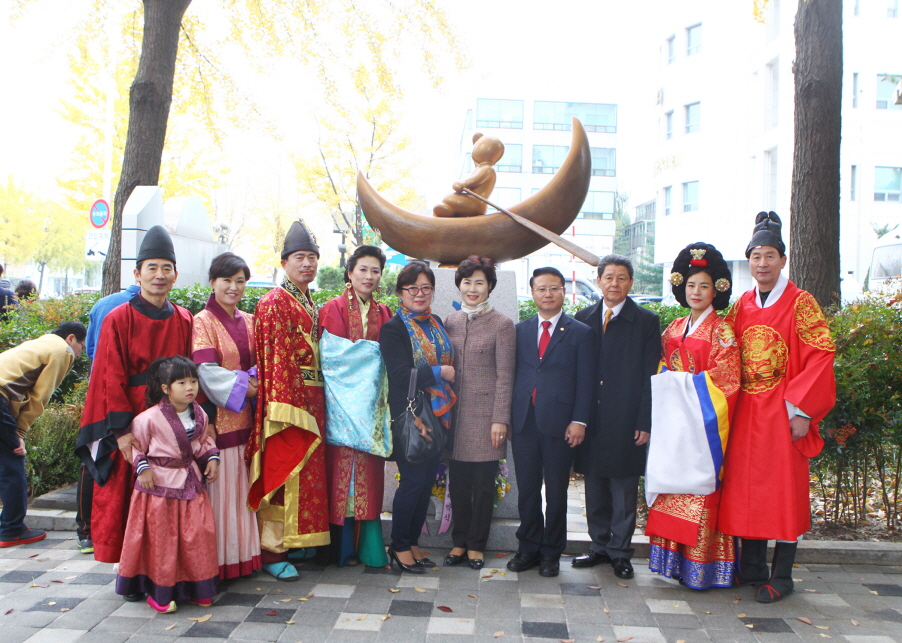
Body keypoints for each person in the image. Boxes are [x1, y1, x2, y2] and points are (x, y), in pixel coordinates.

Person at [718, 212, 836, 603]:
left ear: (783, 260)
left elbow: (820, 353)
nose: (762, 264)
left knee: (783, 491)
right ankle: (751, 568)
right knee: (745, 489)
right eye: (756, 257)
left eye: (770, 256)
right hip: (747, 412)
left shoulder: (801, 303)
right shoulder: (742, 306)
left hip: (783, 412)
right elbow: (724, 351)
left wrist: (802, 410)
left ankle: (781, 575)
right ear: (748, 262)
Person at [75, 225, 193, 578]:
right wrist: (122, 431)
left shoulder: (184, 318)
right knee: (130, 491)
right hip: (133, 418)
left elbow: (191, 375)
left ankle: (166, 564)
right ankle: (132, 570)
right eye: (152, 268)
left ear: (175, 275)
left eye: (166, 268)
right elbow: (109, 377)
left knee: (170, 489)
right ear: (136, 274)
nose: (159, 275)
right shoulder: (118, 318)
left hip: (172, 418)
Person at [645, 243, 740, 589]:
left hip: (703, 429)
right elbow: (660, 369)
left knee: (700, 495)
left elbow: (727, 381)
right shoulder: (673, 329)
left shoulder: (722, 331)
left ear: (717, 289)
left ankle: (703, 569)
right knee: (672, 491)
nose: (696, 292)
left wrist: (681, 385)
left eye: (703, 285)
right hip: (675, 428)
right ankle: (671, 564)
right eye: (690, 285)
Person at [248, 221, 330, 581]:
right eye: (300, 258)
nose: (307, 264)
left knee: (308, 472)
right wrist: (289, 404)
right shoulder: (273, 302)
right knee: (285, 468)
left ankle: (298, 538)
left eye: (312, 258)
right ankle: (272, 549)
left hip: (315, 398)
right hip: (289, 400)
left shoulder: (311, 302)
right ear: (284, 263)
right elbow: (277, 356)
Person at [572, 255, 660, 580]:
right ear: (598, 281)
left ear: (630, 283)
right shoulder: (583, 318)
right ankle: (598, 546)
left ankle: (621, 552)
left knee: (623, 490)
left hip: (627, 419)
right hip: (591, 419)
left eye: (622, 278)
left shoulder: (647, 322)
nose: (614, 284)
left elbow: (651, 376)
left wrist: (644, 420)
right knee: (594, 486)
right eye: (608, 277)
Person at [115, 356, 220, 614]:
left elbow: (204, 442)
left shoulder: (200, 414)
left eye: (193, 381)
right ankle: (159, 591)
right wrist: (144, 469)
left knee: (196, 536)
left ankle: (197, 588)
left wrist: (212, 459)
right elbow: (135, 447)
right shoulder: (147, 419)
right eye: (181, 382)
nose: (190, 387)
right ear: (165, 388)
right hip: (158, 488)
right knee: (163, 540)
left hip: (191, 483)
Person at [507, 267, 594, 578]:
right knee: (528, 490)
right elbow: (511, 375)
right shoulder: (519, 331)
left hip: (560, 423)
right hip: (524, 422)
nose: (547, 294)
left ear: (563, 292)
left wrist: (579, 420)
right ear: (532, 293)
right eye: (541, 288)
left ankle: (551, 552)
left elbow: (586, 382)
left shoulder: (580, 332)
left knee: (557, 491)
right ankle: (528, 547)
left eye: (554, 288)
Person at [379, 261, 456, 573]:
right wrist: (440, 372)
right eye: (413, 288)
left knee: (426, 483)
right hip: (411, 416)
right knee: (411, 483)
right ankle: (398, 546)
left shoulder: (435, 321)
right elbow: (398, 374)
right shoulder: (393, 328)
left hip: (438, 413)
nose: (420, 294)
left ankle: (411, 542)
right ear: (400, 293)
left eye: (426, 288)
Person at [319, 245, 393, 568]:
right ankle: (342, 549)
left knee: (370, 480)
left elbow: (388, 359)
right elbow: (335, 361)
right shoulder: (332, 309)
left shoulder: (385, 313)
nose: (369, 276)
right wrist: (373, 355)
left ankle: (370, 549)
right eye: (362, 269)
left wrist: (374, 358)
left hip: (372, 412)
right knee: (340, 477)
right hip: (341, 411)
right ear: (349, 273)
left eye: (375, 270)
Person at [191, 252, 261, 579]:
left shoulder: (250, 320)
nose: (233, 287)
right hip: (220, 419)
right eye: (227, 280)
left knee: (243, 492)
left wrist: (256, 382)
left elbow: (264, 361)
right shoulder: (202, 321)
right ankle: (217, 564)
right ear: (212, 282)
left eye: (240, 281)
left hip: (250, 420)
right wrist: (247, 387)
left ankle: (243, 558)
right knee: (221, 496)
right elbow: (206, 372)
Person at [444, 256, 515, 570]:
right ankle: (459, 543)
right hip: (454, 417)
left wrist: (500, 418)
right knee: (457, 483)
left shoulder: (502, 324)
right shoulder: (450, 321)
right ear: (459, 285)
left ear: (490, 287)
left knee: (484, 485)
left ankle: (476, 546)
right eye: (467, 282)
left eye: (479, 282)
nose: (472, 289)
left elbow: (505, 375)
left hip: (487, 418)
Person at [0, 322, 86, 547]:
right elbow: (40, 397)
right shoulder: (62, 351)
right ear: (71, 339)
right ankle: (12, 529)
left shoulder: (41, 343)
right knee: (13, 459)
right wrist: (19, 432)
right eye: (82, 347)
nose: (79, 354)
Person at [76, 280, 141, 555]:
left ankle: (86, 531)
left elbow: (91, 350)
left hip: (101, 387)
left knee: (97, 460)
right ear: (140, 275)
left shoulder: (102, 304)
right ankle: (108, 538)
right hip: (115, 392)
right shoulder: (119, 313)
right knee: (109, 459)